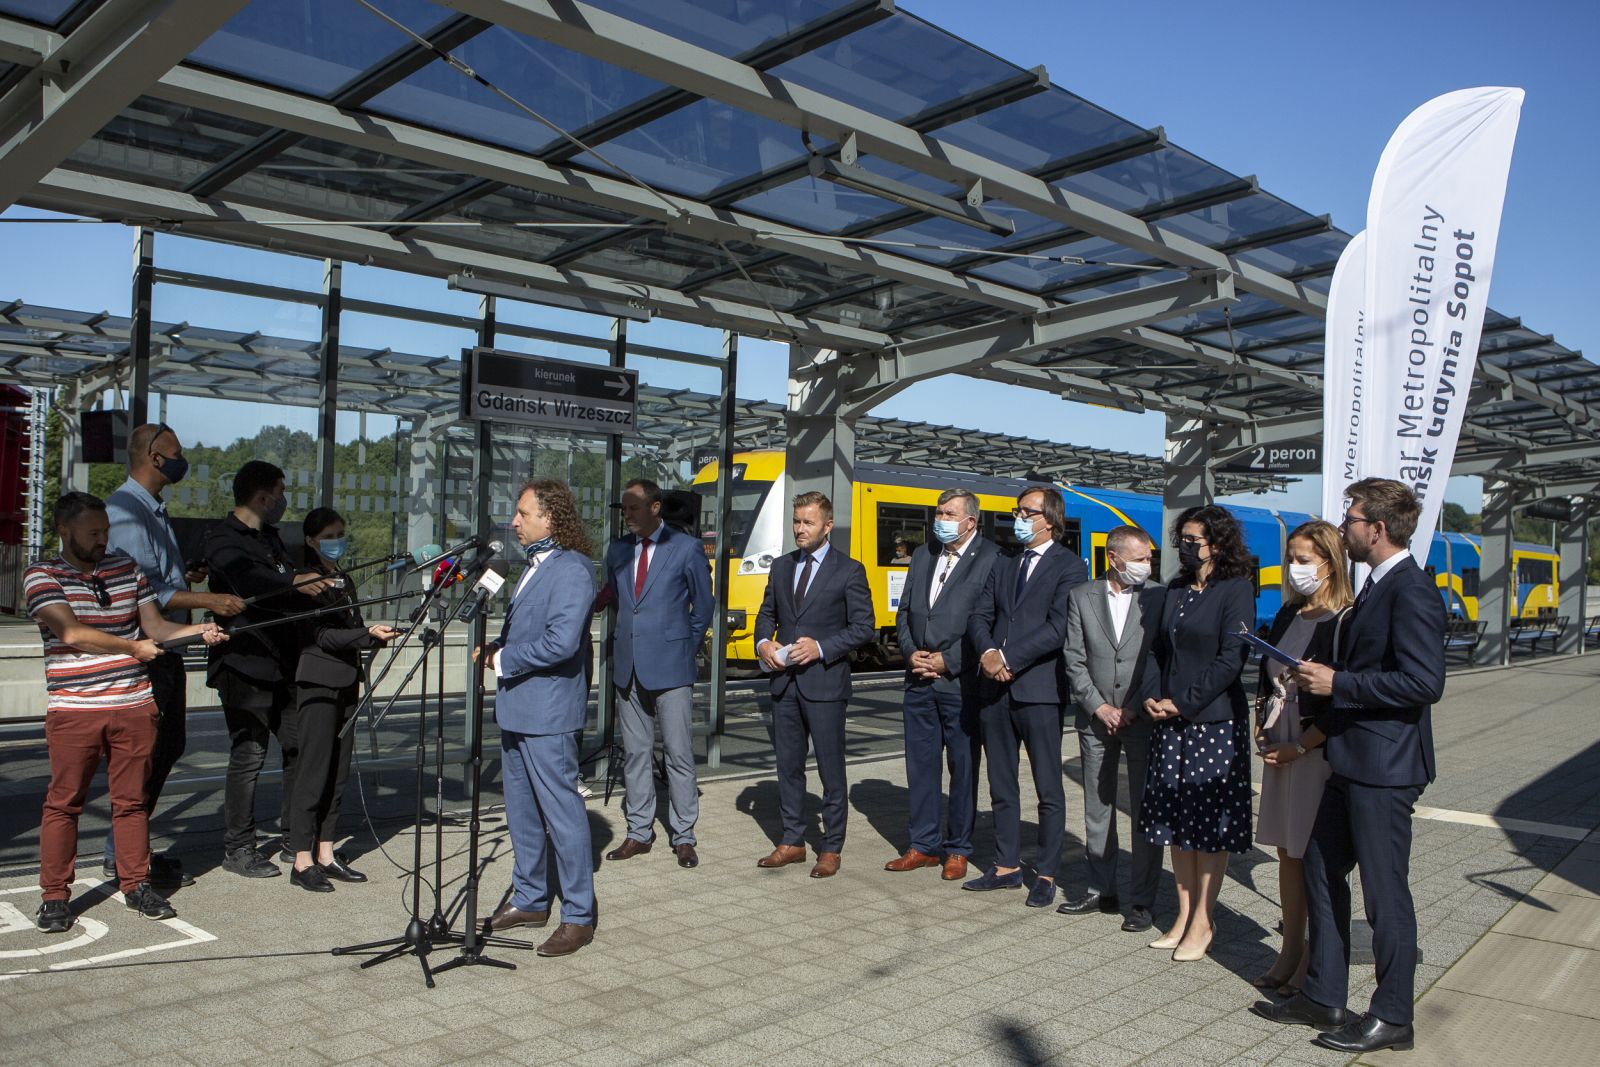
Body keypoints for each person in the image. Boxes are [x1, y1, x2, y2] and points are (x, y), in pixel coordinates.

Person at [1255, 479, 1446, 1055]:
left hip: (1385, 767)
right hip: (1352, 757)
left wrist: (1340, 682)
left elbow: (1424, 682)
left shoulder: (1410, 590)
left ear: (1377, 529)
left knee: (1384, 894)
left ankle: (1393, 1016)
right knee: (1318, 864)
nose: (1344, 525)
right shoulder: (1376, 587)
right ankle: (1325, 993)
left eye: (1352, 516)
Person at [26, 492, 226, 933]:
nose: (102, 540)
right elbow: (73, 632)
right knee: (64, 803)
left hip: (133, 706)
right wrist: (132, 647)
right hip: (75, 709)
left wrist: (198, 629)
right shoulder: (42, 575)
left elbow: (155, 627)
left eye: (106, 531)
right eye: (92, 532)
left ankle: (135, 883)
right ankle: (55, 896)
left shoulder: (125, 568)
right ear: (64, 529)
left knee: (132, 802)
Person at [102, 423, 244, 886]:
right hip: (147, 651)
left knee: (166, 746)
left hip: (166, 649)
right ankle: (124, 855)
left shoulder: (152, 510)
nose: (181, 461)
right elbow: (146, 592)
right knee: (149, 751)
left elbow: (162, 581)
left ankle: (130, 849)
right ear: (152, 455)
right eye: (175, 453)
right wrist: (207, 601)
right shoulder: (127, 511)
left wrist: (188, 577)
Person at [476, 478, 599, 956]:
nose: (514, 522)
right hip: (518, 709)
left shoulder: (572, 569)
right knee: (523, 814)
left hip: (548, 712)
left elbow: (562, 642)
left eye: (523, 514)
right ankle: (529, 898)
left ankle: (578, 915)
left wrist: (500, 659)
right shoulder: (531, 566)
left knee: (562, 814)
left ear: (550, 517)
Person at [203, 460, 334, 878]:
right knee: (250, 754)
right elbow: (250, 581)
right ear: (263, 496)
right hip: (243, 665)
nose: (284, 501)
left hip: (283, 664)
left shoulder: (274, 540)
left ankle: (293, 836)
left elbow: (285, 585)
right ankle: (239, 847)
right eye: (280, 492)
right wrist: (292, 583)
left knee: (297, 745)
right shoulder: (223, 540)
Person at [1138, 505, 1255, 961]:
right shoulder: (1176, 589)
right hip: (1170, 722)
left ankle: (1204, 921)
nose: (1185, 547)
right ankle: (1183, 916)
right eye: (1181, 538)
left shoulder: (1236, 590)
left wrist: (1183, 701)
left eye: (1194, 539)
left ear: (1218, 543)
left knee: (1209, 827)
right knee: (1175, 822)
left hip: (1213, 722)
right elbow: (1156, 651)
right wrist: (1152, 695)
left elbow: (1232, 658)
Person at [965, 485, 1088, 907]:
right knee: (1001, 782)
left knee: (1048, 787)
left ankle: (1048, 872)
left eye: (1026, 511)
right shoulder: (1004, 561)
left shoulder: (1069, 567)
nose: (1017, 517)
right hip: (994, 689)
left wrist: (1007, 657)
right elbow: (981, 613)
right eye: (1017, 510)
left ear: (1049, 520)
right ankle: (1005, 866)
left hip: (1038, 690)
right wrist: (986, 653)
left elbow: (1058, 627)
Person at [1250, 520, 1351, 995]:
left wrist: (1302, 743)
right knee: (1286, 852)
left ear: (1330, 564)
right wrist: (1259, 718)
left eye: (1304, 560)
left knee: (1310, 852)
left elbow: (1342, 699)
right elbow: (1265, 668)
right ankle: (1290, 948)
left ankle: (1313, 955)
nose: (1294, 568)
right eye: (1291, 557)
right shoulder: (1290, 613)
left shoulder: (1343, 620)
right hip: (1280, 742)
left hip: (1313, 748)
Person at [752, 490, 874, 878]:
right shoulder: (781, 567)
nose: (799, 529)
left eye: (807, 522)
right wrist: (763, 643)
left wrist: (821, 648)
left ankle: (831, 846)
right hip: (784, 684)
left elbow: (863, 627)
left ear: (827, 525)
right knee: (788, 767)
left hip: (824, 685)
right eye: (796, 521)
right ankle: (792, 841)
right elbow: (765, 613)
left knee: (829, 768)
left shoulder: (849, 570)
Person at [598, 478, 713, 869]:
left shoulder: (686, 548)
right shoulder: (617, 550)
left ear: (655, 507)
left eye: (633, 507)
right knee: (636, 754)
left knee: (679, 754)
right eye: (624, 508)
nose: (627, 515)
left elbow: (704, 605)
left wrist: (686, 646)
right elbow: (614, 595)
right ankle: (638, 832)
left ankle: (684, 836)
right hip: (628, 667)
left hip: (672, 668)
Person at [283, 508, 398, 893]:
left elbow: (347, 630)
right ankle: (301, 857)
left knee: (338, 770)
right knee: (313, 770)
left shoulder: (342, 578)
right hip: (317, 681)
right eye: (332, 534)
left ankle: (327, 852)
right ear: (312, 540)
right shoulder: (306, 583)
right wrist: (367, 634)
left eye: (342, 533)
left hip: (348, 682)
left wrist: (370, 636)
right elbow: (322, 636)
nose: (339, 540)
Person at [886, 489, 997, 881]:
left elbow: (989, 625)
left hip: (961, 684)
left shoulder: (992, 559)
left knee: (963, 767)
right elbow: (904, 612)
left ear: (970, 521)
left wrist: (948, 660)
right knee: (920, 766)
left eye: (949, 513)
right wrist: (910, 650)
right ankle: (923, 845)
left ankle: (959, 848)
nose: (941, 518)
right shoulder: (923, 554)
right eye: (938, 512)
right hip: (917, 681)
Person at [1059, 524, 1164, 932]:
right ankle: (1101, 887)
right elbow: (1074, 657)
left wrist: (1135, 704)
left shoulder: (1157, 595)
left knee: (1142, 808)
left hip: (1141, 717)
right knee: (1097, 805)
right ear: (1114, 558)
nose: (1146, 565)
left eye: (1149, 558)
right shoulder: (1081, 596)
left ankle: (1142, 900)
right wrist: (1098, 706)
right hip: (1095, 718)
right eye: (1140, 559)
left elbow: (1158, 655)